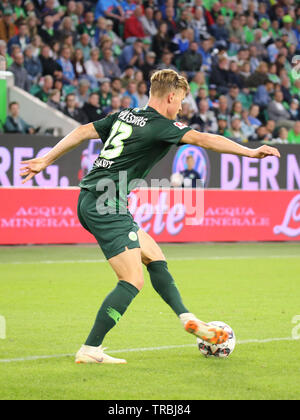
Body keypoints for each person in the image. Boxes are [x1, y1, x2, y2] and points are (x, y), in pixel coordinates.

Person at [20, 69, 280, 364]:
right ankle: (90, 349)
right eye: (180, 101)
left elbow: (81, 132)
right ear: (171, 96)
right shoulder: (162, 125)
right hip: (105, 203)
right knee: (131, 280)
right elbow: (205, 139)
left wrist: (45, 159)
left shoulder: (126, 115)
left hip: (97, 198)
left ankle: (187, 316)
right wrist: (250, 152)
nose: (181, 107)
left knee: (154, 255)